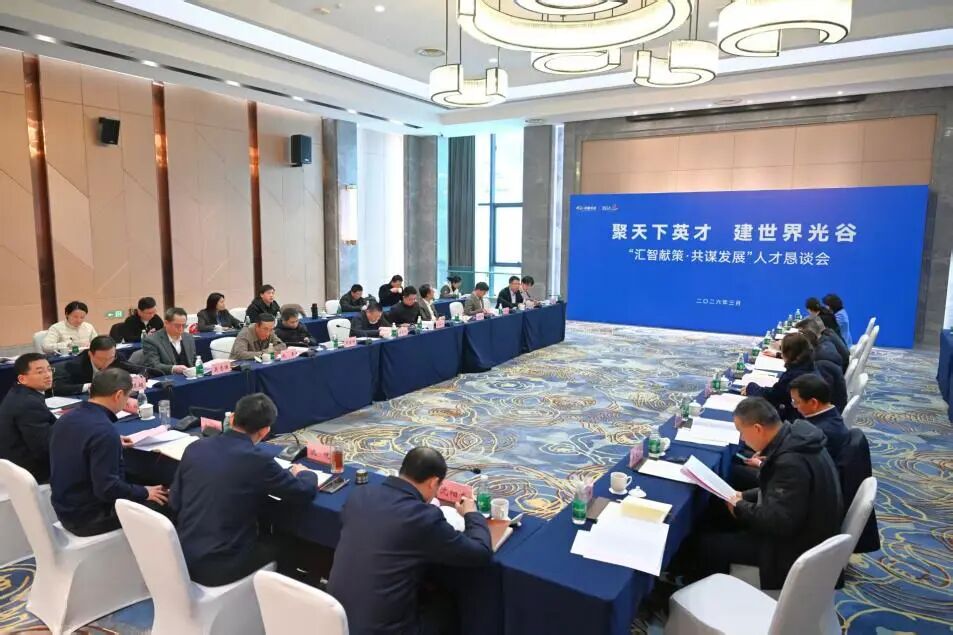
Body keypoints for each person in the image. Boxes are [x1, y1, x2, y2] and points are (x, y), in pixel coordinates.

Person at [328, 447, 492, 634]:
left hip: (337, 620)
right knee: (446, 604)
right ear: (433, 482)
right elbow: (480, 553)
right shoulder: (422, 517)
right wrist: (472, 514)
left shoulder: (360, 495)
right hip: (383, 630)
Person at [691, 397, 843, 590]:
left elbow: (777, 521)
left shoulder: (790, 463)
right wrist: (744, 497)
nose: (742, 439)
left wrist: (740, 507)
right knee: (717, 509)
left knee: (707, 545)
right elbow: (780, 491)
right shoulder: (797, 438)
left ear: (757, 429)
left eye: (741, 432)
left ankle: (709, 592)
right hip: (807, 527)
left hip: (792, 549)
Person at [170, 393, 317, 586]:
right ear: (265, 431)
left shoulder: (195, 447)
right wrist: (306, 474)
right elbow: (303, 491)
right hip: (219, 565)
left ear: (231, 419)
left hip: (182, 554)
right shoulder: (257, 460)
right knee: (288, 545)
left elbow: (174, 501)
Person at [49, 369, 168, 536]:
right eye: (128, 396)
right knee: (166, 501)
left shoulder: (68, 417)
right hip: (89, 517)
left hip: (66, 505)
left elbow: (82, 443)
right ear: (118, 395)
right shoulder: (103, 431)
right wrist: (144, 492)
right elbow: (107, 489)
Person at [0, 354, 56, 483]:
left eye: (49, 369)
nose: (48, 375)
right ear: (22, 379)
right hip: (31, 473)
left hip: (14, 465)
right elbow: (44, 449)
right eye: (40, 372)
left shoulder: (18, 392)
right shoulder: (29, 404)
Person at [742, 332, 817, 421]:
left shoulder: (793, 376)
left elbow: (773, 396)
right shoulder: (809, 365)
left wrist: (751, 388)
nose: (781, 354)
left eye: (782, 350)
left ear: (788, 353)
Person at [52, 335, 155, 396]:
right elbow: (58, 388)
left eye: (110, 358)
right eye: (101, 359)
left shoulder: (116, 358)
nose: (107, 363)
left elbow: (143, 370)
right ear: (90, 354)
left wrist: (138, 378)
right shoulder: (76, 365)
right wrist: (89, 386)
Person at [790, 374, 849, 463]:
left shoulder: (816, 434)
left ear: (813, 403)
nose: (794, 406)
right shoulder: (832, 415)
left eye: (796, 402)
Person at [142, 307, 197, 375]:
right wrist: (173, 368)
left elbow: (194, 361)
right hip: (167, 378)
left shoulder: (188, 338)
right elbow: (153, 365)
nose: (181, 329)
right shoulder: (152, 340)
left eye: (183, 325)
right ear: (166, 323)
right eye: (177, 326)